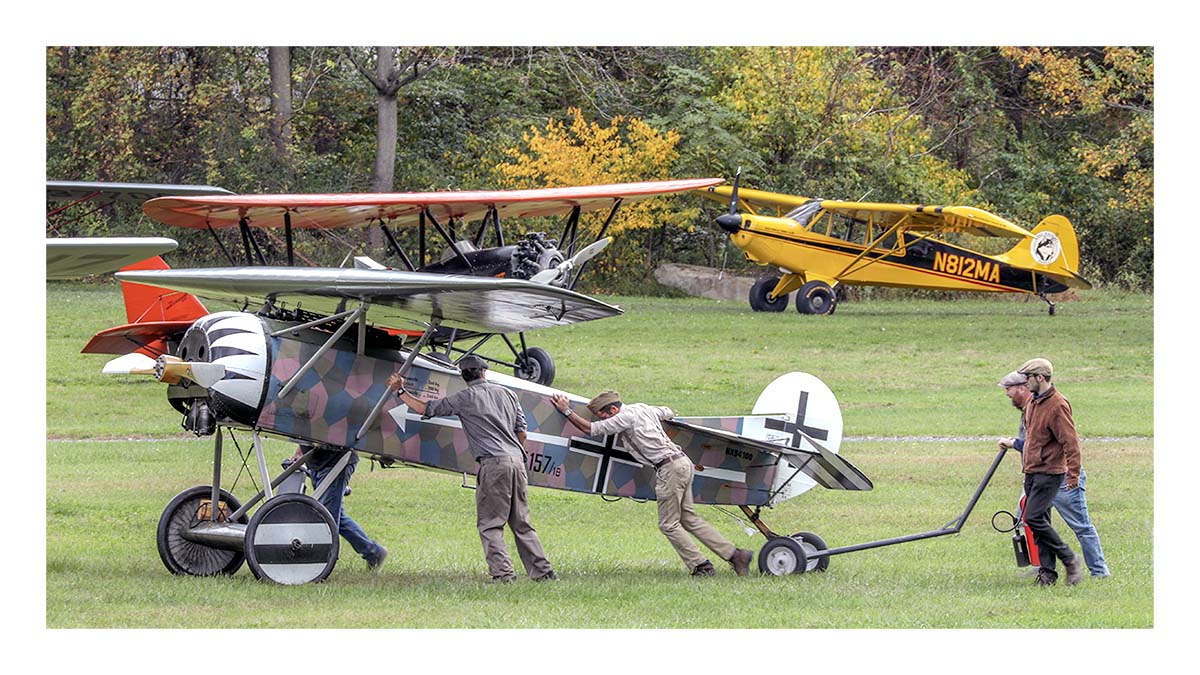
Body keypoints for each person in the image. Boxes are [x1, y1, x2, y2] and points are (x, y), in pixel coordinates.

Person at [387, 355, 556, 583]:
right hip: (517, 461)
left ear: (465, 376)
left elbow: (425, 408)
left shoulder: (465, 398)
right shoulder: (507, 393)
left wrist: (399, 391)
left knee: (490, 523)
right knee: (522, 522)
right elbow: (522, 433)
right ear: (483, 372)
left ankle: (503, 575)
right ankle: (543, 573)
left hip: (493, 464)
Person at [550, 390, 754, 577]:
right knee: (688, 518)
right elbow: (668, 412)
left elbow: (591, 429)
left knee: (668, 524)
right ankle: (736, 555)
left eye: (605, 416)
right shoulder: (643, 408)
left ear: (613, 409)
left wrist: (566, 411)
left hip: (669, 469)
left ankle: (701, 566)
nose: (606, 420)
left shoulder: (625, 417)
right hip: (683, 463)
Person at [998, 370, 1110, 578]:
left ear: (1023, 387)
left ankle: (1098, 571)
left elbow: (1069, 442)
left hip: (1059, 476)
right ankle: (1046, 571)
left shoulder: (1054, 405)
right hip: (1037, 474)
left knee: (1080, 526)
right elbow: (1036, 444)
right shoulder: (1031, 409)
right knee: (1032, 520)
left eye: (1009, 389)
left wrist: (1073, 475)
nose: (1006, 393)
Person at [290, 443, 388, 570]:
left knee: (327, 517)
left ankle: (321, 562)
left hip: (335, 462)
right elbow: (305, 430)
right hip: (318, 463)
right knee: (334, 515)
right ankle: (374, 553)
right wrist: (299, 453)